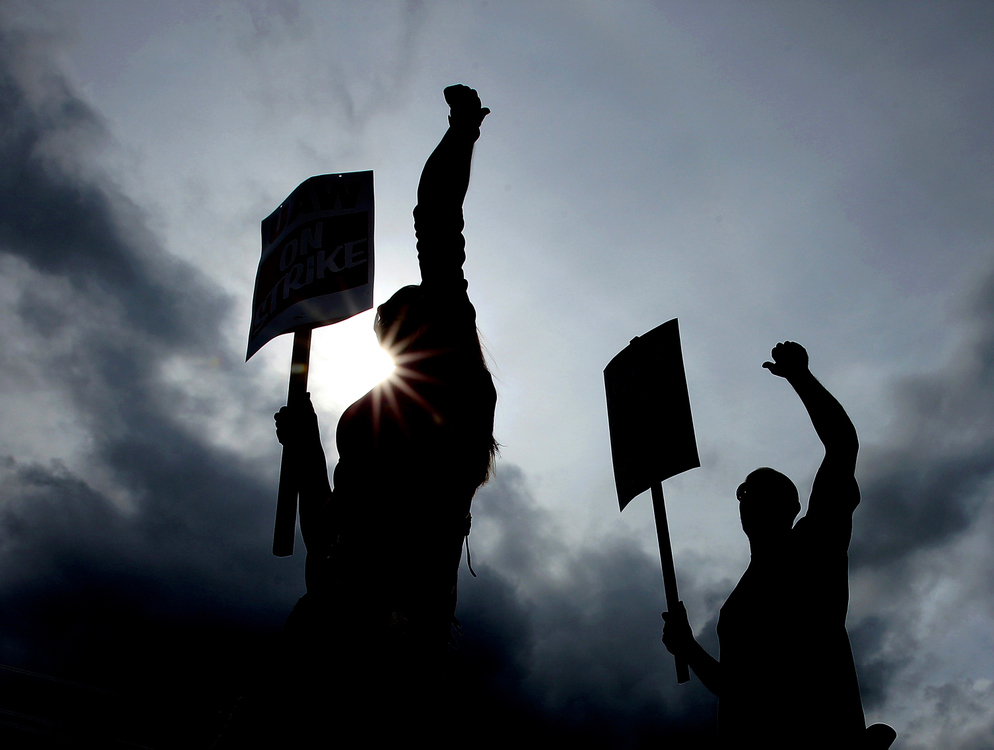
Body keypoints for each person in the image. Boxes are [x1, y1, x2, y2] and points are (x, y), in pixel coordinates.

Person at [273, 84, 497, 742]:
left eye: (405, 329)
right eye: (384, 337)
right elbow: (326, 528)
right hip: (325, 624)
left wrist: (460, 133)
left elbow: (435, 218)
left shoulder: (455, 409)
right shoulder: (371, 433)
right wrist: (309, 449)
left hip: (393, 643)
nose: (390, 342)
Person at [662, 342, 896, 749]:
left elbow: (842, 445)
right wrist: (688, 648)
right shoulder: (734, 609)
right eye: (744, 490)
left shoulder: (814, 542)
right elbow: (736, 690)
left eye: (761, 488)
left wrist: (800, 377)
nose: (749, 496)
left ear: (792, 506)